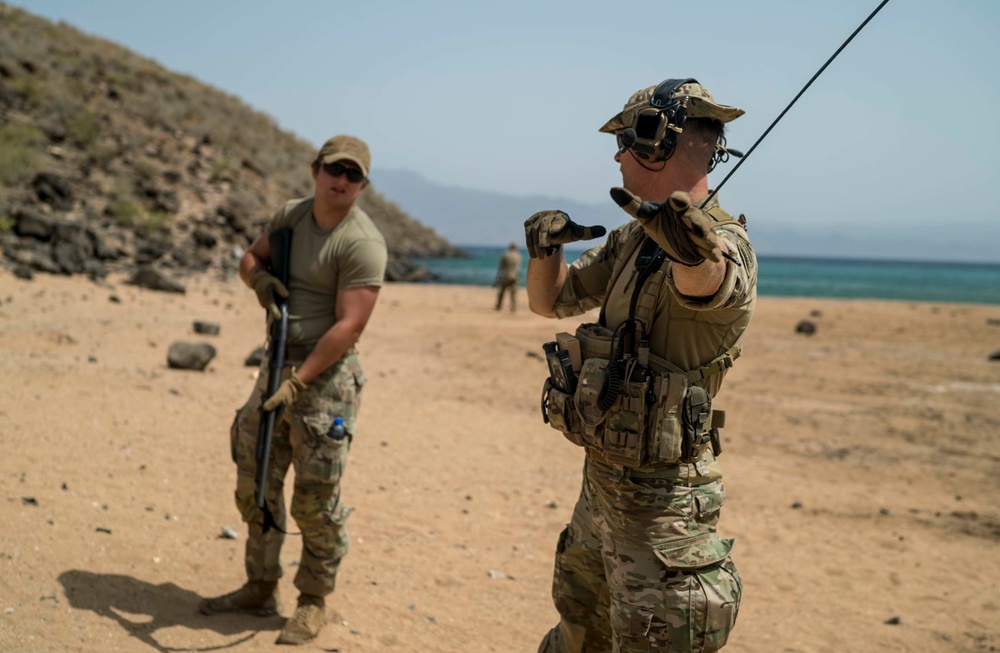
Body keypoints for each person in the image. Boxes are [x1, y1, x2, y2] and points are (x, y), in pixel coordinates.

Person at [524, 79, 757, 652]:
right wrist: (545, 250)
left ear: (660, 141)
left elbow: (713, 285)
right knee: (578, 634)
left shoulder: (720, 243)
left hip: (665, 514)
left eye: (627, 139)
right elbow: (549, 301)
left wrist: (690, 251)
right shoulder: (634, 239)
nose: (618, 153)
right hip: (601, 488)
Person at [199, 135, 387, 646]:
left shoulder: (362, 242)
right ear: (315, 169)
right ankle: (260, 588)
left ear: (363, 184)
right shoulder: (290, 216)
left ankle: (312, 601)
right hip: (276, 362)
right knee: (254, 478)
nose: (342, 180)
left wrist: (298, 383)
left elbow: (350, 326)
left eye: (353, 174)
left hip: (325, 378)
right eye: (335, 169)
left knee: (314, 498)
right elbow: (250, 259)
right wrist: (259, 283)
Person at [494, 242, 522, 311]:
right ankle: (513, 307)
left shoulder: (506, 255)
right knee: (513, 293)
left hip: (506, 275)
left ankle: (499, 306)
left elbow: (501, 267)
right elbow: (518, 267)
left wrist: (498, 276)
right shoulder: (518, 256)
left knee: (502, 292)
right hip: (515, 276)